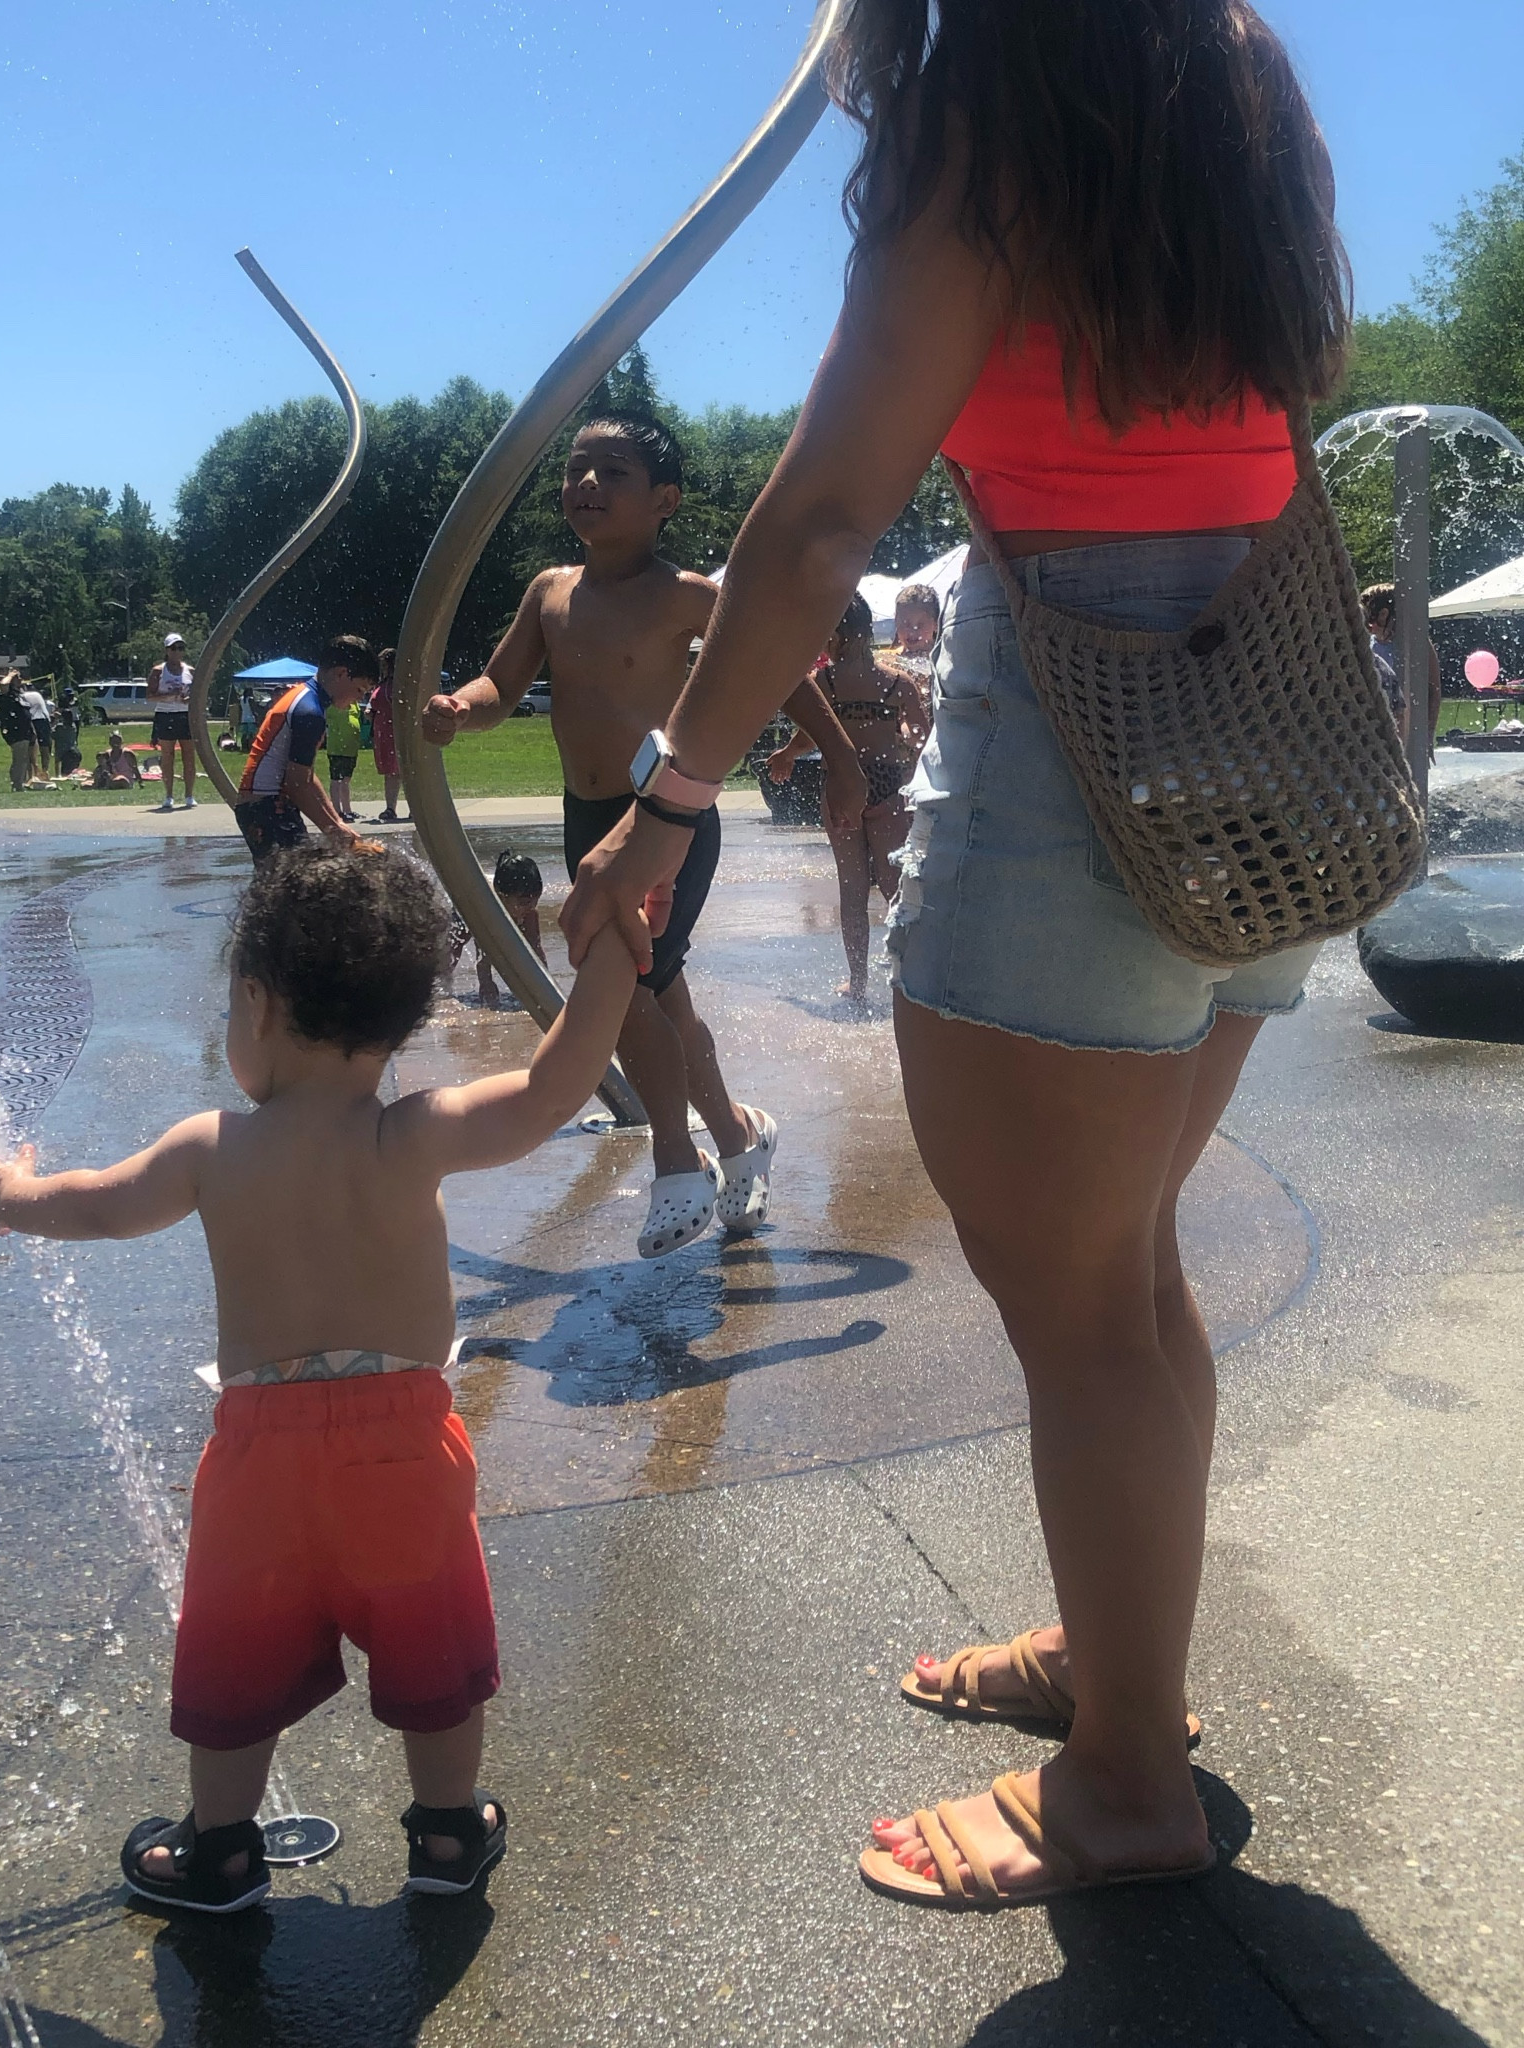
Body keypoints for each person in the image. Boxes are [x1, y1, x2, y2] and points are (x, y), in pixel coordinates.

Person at [561, 0, 1352, 1908]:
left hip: (1076, 730)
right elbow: (1284, 370)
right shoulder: (1225, 57)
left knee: (1078, 1304)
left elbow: (830, 514)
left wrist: (668, 805)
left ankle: (1124, 1785)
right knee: (1128, 1267)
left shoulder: (993, 92)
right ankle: (1120, 1661)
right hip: (1269, 716)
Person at [0, 841, 638, 1913]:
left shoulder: (212, 1145)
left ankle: (223, 1848)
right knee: (433, 1641)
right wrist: (616, 948)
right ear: (402, 1017)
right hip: (404, 1443)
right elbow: (554, 1085)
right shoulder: (413, 1131)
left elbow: (97, 1204)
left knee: (236, 1659)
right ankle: (444, 1833)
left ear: (255, 999)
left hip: (260, 1458)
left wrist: (7, 1191)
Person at [423, 411, 869, 1258]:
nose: (587, 484)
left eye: (613, 472)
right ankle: (737, 1138)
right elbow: (501, 683)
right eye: (577, 469)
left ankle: (676, 1162)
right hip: (586, 819)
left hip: (667, 818)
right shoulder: (551, 592)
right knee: (657, 990)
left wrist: (841, 762)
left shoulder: (690, 595)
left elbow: (778, 670)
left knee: (621, 979)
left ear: (664, 499)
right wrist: (459, 710)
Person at [766, 593, 930, 1004]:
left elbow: (812, 734)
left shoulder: (826, 683)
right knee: (896, 888)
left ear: (835, 636)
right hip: (889, 785)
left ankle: (857, 983)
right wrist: (907, 741)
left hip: (842, 786)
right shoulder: (898, 682)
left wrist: (787, 754)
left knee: (852, 888)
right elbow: (923, 736)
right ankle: (905, 978)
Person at [234, 636, 380, 864]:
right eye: (360, 689)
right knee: (297, 890)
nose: (360, 698)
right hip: (267, 807)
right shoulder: (309, 713)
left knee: (292, 888)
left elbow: (306, 777)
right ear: (341, 674)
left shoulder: (306, 698)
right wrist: (332, 829)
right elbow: (297, 784)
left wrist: (337, 822)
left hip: (265, 806)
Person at [449, 850, 547, 1009]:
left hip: (486, 896)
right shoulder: (487, 910)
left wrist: (544, 987)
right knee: (454, 947)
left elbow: (536, 951)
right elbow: (483, 955)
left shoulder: (529, 913)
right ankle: (439, 985)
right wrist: (486, 982)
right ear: (502, 896)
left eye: (535, 901)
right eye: (524, 903)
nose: (531, 907)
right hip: (466, 906)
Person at [1362, 583, 1441, 753]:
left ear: (1383, 614)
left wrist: (1428, 735)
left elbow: (1434, 691)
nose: (1365, 624)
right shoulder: (1367, 644)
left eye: (1368, 617)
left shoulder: (1417, 643)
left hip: (1407, 724)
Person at [147, 633, 198, 811]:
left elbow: (198, 694)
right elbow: (150, 696)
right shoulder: (158, 671)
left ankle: (189, 795)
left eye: (180, 648)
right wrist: (169, 696)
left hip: (185, 715)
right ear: (167, 650)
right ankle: (169, 795)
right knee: (167, 756)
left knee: (189, 755)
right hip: (165, 714)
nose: (177, 652)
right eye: (174, 648)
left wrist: (188, 699)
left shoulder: (190, 670)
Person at [370, 647, 403, 823]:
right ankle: (390, 807)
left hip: (396, 731)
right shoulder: (383, 684)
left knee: (404, 771)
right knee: (390, 772)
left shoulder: (401, 684)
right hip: (383, 732)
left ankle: (416, 809)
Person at [324, 688, 363, 822]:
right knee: (336, 779)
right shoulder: (333, 705)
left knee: (346, 780)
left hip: (350, 749)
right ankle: (337, 810)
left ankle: (347, 810)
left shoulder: (354, 705)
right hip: (337, 749)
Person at [892, 582, 942, 677]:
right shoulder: (891, 660)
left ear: (936, 624)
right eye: (905, 624)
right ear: (896, 621)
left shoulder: (945, 661)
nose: (912, 632)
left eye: (920, 625)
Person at [0, 675, 33, 791]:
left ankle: (19, 782)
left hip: (24, 731)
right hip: (15, 732)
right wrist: (11, 674)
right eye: (18, 678)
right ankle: (17, 785)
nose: (21, 679)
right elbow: (3, 684)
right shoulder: (7, 695)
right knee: (20, 759)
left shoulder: (19, 694)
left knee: (22, 759)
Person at [18, 680, 54, 780]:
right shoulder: (37, 694)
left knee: (31, 748)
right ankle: (45, 771)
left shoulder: (22, 696)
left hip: (32, 721)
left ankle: (32, 773)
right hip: (44, 720)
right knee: (45, 747)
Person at [54, 691, 84, 776]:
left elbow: (52, 734)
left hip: (64, 753)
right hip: (74, 751)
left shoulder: (60, 727)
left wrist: (55, 720)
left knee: (57, 760)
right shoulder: (73, 726)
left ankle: (57, 774)